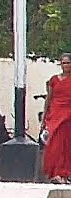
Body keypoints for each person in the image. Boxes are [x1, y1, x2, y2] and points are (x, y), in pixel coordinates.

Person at [40, 53, 71, 184]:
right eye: (63, 63)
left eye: (68, 63)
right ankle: (56, 172)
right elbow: (49, 98)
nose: (66, 66)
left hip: (68, 115)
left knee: (66, 145)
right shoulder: (54, 80)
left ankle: (64, 173)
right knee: (53, 144)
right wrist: (44, 116)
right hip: (55, 114)